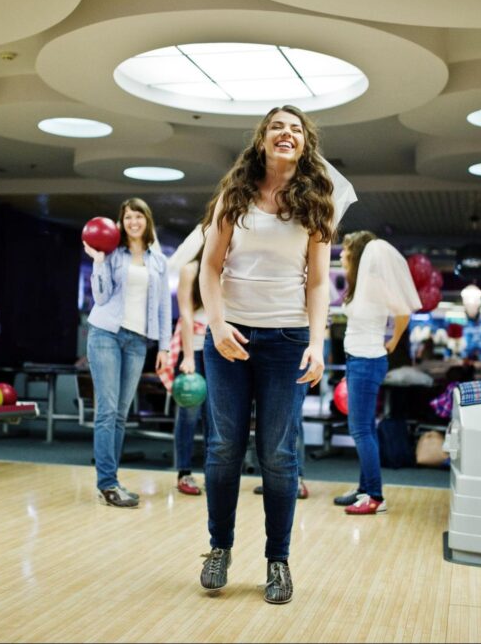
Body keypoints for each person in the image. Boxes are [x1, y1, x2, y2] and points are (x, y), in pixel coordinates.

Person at [197, 104, 354, 605]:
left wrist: (317, 341)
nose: (286, 134)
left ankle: (278, 561)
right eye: (276, 127)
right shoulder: (234, 196)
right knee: (224, 449)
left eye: (295, 129)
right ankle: (219, 548)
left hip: (286, 341)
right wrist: (217, 325)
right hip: (229, 340)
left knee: (279, 455)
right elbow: (210, 269)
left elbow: (317, 283)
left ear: (305, 144)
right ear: (262, 139)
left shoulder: (317, 203)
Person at [83, 197, 171, 508]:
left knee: (120, 414)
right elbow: (101, 296)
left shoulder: (158, 261)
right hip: (105, 334)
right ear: (121, 222)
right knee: (107, 412)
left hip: (137, 342)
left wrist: (164, 347)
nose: (133, 221)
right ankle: (107, 483)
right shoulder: (112, 255)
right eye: (127, 217)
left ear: (147, 221)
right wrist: (97, 262)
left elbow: (163, 307)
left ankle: (112, 480)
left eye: (138, 216)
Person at [332, 231, 421, 515]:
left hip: (367, 360)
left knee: (360, 430)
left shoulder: (375, 284)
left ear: (358, 255)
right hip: (359, 360)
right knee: (365, 429)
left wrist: (393, 342)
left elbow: (403, 312)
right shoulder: (359, 285)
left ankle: (375, 496)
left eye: (346, 251)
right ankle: (363, 487)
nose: (342, 255)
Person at [171, 248, 208, 496]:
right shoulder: (191, 269)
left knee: (216, 418)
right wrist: (188, 356)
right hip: (193, 349)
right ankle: (184, 472)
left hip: (221, 351)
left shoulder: (231, 267)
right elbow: (185, 314)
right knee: (188, 415)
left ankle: (214, 473)